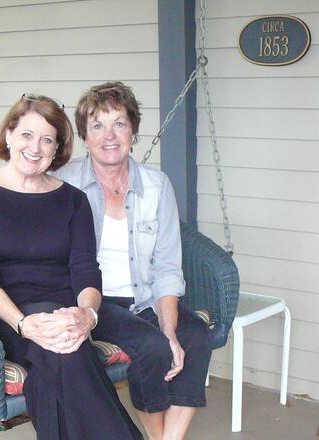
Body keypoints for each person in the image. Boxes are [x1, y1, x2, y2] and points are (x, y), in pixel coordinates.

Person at [0, 94, 142, 440]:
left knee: (58, 359)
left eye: (47, 139)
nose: (35, 147)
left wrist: (88, 316)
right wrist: (25, 324)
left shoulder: (72, 200)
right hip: (4, 314)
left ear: (57, 149)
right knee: (66, 354)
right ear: (9, 134)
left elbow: (86, 270)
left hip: (63, 313)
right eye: (27, 135)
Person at [54, 82, 211, 440]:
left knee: (197, 335)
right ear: (84, 135)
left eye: (119, 124)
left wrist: (169, 327)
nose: (109, 136)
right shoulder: (64, 185)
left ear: (133, 131)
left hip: (144, 299)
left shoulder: (156, 186)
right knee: (151, 346)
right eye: (97, 125)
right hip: (93, 300)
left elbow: (168, 266)